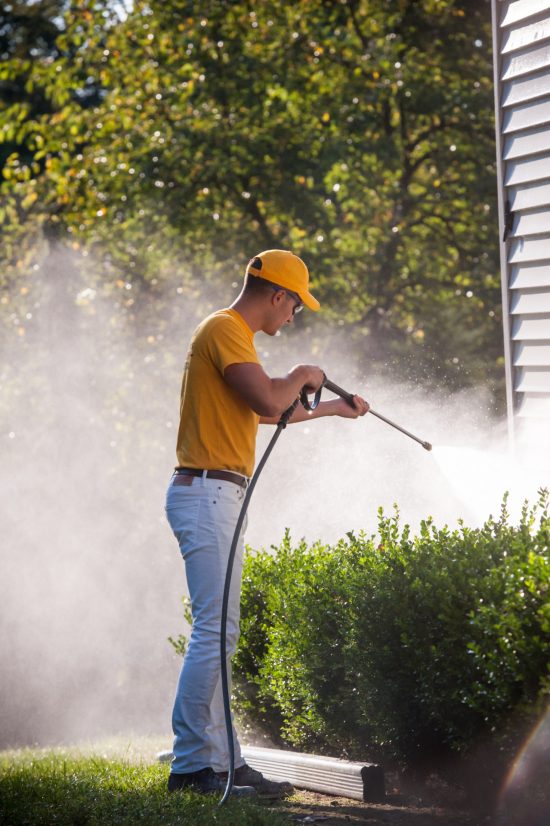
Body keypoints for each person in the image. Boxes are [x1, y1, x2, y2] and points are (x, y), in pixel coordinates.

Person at [165, 249, 369, 798]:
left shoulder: (235, 340)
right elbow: (268, 394)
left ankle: (221, 763)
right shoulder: (226, 329)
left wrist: (331, 409)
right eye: (296, 306)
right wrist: (305, 373)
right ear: (278, 295)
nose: (293, 317)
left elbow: (264, 410)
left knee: (219, 632)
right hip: (208, 493)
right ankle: (192, 768)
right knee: (214, 632)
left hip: (215, 494)